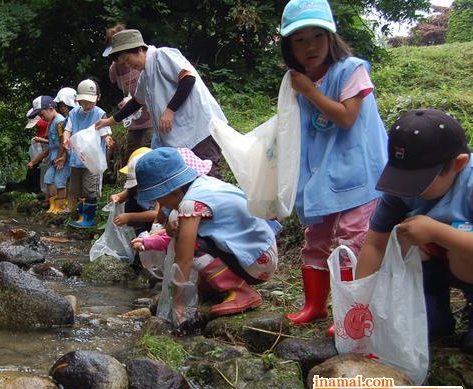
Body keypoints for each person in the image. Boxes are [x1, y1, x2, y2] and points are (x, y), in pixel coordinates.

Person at [278, 0, 388, 336]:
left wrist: (310, 91)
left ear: (330, 37)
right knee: (317, 240)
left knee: (352, 242)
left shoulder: (350, 69)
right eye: (298, 40)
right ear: (288, 46)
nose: (309, 46)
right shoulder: (299, 79)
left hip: (358, 173)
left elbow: (346, 116)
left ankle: (353, 311)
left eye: (316, 36)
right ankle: (315, 305)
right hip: (320, 176)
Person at [356, 109, 473, 353]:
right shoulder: (401, 191)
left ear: (458, 164)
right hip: (435, 260)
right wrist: (359, 303)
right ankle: (435, 313)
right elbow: (374, 245)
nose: (408, 189)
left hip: (465, 259)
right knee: (405, 243)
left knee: (458, 251)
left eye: (419, 182)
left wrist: (437, 232)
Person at [134, 148, 281, 317]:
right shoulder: (203, 184)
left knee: (190, 245)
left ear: (171, 191)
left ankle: (242, 292)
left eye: (161, 199)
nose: (163, 205)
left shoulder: (191, 203)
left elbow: (184, 259)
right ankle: (211, 289)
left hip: (258, 263)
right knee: (188, 235)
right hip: (260, 252)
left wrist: (178, 305)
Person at [96, 29, 226, 178]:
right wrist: (110, 121)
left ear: (139, 49)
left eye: (127, 59)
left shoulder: (162, 56)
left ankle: (223, 201)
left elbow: (188, 78)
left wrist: (170, 110)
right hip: (181, 136)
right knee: (191, 179)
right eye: (123, 63)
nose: (128, 65)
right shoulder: (145, 76)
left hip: (199, 130)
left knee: (209, 175)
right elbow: (136, 102)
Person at [63, 79, 114, 228]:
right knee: (75, 188)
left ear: (98, 97)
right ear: (78, 100)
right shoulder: (73, 114)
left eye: (90, 102)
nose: (88, 105)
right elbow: (68, 129)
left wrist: (108, 139)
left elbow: (105, 132)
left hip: (93, 160)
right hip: (77, 158)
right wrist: (66, 140)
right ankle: (78, 214)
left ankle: (89, 218)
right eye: (84, 102)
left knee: (90, 188)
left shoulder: (100, 114)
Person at [105, 24, 154, 164]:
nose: (121, 61)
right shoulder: (114, 70)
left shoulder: (144, 61)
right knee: (132, 159)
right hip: (132, 120)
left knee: (149, 155)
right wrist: (121, 104)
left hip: (151, 118)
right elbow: (116, 93)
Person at [26, 95, 69, 213]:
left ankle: (60, 207)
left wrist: (60, 157)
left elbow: (62, 142)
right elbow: (50, 146)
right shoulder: (50, 123)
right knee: (48, 179)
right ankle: (53, 205)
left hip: (61, 158)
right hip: (53, 158)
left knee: (60, 182)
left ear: (50, 108)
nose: (41, 117)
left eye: (42, 114)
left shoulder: (60, 122)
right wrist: (34, 161)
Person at [109, 147, 158, 235]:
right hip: (137, 215)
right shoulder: (134, 188)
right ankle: (134, 233)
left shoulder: (160, 192)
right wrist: (116, 197)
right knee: (130, 202)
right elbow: (124, 195)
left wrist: (130, 217)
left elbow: (156, 214)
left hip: (152, 223)